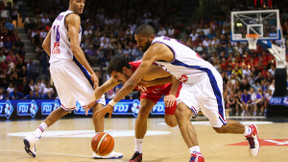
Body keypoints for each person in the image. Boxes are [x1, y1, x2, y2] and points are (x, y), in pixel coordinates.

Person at [94, 24, 260, 162]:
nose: (137, 44)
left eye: (140, 40)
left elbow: (131, 82)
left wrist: (111, 104)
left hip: (205, 77)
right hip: (187, 81)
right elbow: (171, 74)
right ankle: (196, 155)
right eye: (136, 41)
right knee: (180, 112)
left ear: (151, 38)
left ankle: (249, 130)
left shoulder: (155, 49)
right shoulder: (155, 50)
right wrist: (153, 84)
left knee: (220, 127)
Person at [23, 0, 123, 159]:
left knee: (66, 107)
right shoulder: (74, 17)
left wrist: (57, 59)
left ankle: (34, 136)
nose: (82, 4)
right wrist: (91, 71)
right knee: (98, 98)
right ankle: (100, 150)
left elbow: (45, 44)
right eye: (78, 1)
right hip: (66, 63)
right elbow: (75, 48)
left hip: (55, 65)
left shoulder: (59, 17)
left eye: (84, 1)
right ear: (70, 2)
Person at [85, 58, 181, 161]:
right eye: (114, 78)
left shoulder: (145, 69)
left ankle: (187, 111)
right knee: (143, 110)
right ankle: (138, 152)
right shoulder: (121, 76)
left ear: (125, 69)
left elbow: (174, 75)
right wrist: (91, 100)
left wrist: (111, 104)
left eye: (116, 76)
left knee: (171, 122)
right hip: (150, 89)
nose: (117, 80)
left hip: (169, 86)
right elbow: (101, 89)